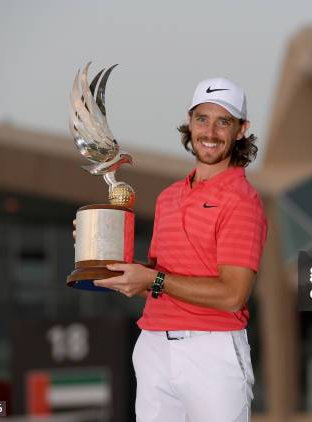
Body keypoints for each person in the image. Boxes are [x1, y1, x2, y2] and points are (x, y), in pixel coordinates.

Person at [94, 77, 268, 422]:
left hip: (212, 350)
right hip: (154, 346)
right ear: (189, 122)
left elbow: (233, 294)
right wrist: (98, 245)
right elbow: (159, 284)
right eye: (202, 118)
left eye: (224, 122)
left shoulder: (242, 202)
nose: (210, 132)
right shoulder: (169, 197)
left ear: (241, 130)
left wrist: (153, 280)